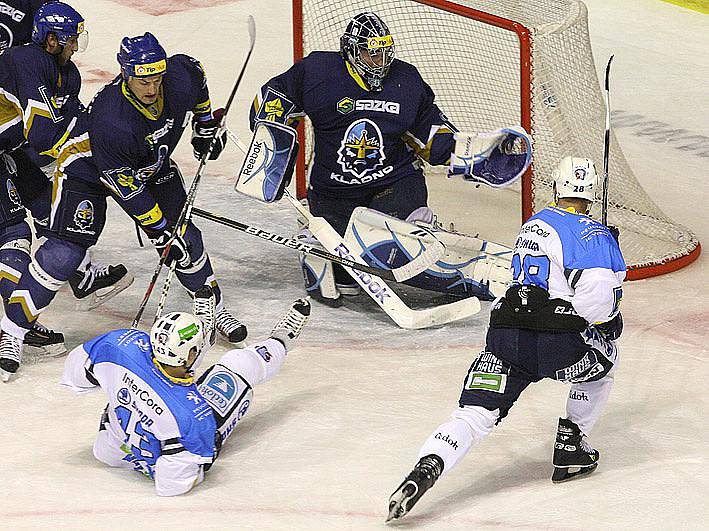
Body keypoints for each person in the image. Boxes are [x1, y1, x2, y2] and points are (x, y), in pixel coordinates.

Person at [386, 156, 626, 522]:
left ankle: (428, 464)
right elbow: (599, 302)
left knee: (474, 413)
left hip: (505, 338)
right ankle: (571, 443)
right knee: (604, 363)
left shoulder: (534, 224)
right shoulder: (596, 237)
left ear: (557, 187)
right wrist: (609, 312)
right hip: (556, 345)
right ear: (592, 192)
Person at [0, 31, 247, 381]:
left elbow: (197, 76)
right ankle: (11, 332)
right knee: (63, 254)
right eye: (142, 79)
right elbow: (129, 190)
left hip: (148, 164)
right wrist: (161, 233)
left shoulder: (179, 77)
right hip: (88, 168)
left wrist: (205, 127)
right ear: (126, 74)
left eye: (156, 77)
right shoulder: (111, 118)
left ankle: (213, 306)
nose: (151, 87)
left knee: (187, 237)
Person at [250, 12, 528, 306]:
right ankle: (322, 245)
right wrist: (272, 122)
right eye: (372, 54)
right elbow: (273, 96)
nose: (380, 61)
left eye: (384, 52)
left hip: (393, 182)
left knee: (402, 244)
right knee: (343, 276)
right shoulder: (318, 71)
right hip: (334, 193)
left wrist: (472, 155)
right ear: (351, 50)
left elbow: (431, 136)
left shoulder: (405, 80)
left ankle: (465, 271)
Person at [60, 286, 311, 496]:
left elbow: (75, 376)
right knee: (238, 366)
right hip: (161, 455)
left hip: (110, 449)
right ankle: (280, 340)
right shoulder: (193, 415)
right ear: (193, 354)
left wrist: (125, 387)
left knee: (171, 367)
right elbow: (172, 486)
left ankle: (203, 325)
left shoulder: (121, 343)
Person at [0, 1, 133, 310]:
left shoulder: (67, 73)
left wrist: (112, 156)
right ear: (51, 40)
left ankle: (82, 275)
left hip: (9, 149)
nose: (75, 45)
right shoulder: (26, 62)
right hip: (9, 149)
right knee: (13, 230)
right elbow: (44, 135)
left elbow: (78, 122)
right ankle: (15, 321)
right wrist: (89, 163)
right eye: (71, 38)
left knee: (51, 206)